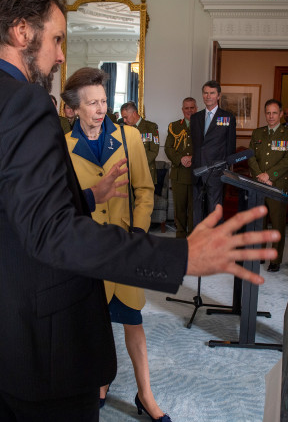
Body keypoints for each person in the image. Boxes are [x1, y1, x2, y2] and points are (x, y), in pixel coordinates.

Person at [0, 0, 279, 420]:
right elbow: (52, 235)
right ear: (21, 31)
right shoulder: (25, 103)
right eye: (56, 39)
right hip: (42, 341)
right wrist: (181, 256)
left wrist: (85, 194)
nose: (60, 55)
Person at [63, 67, 170, 421]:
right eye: (91, 103)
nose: (99, 109)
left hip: (124, 246)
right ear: (74, 109)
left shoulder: (130, 137)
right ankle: (99, 384)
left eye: (103, 101)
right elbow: (64, 201)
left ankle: (146, 395)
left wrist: (138, 233)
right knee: (92, 325)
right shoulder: (62, 146)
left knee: (132, 321)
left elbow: (145, 190)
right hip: (87, 251)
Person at [248, 99, 288, 272]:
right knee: (259, 222)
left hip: (277, 185)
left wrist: (269, 175)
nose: (271, 116)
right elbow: (250, 156)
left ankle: (275, 259)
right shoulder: (258, 133)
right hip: (259, 184)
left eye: (274, 113)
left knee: (277, 223)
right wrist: (260, 176)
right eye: (268, 113)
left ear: (281, 114)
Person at [190, 80, 236, 225]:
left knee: (214, 211)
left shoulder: (227, 118)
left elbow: (230, 147)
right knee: (197, 212)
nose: (208, 96)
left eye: (212, 93)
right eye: (205, 93)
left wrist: (225, 170)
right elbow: (196, 145)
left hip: (216, 172)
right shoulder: (195, 117)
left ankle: (215, 245)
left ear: (218, 96)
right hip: (197, 171)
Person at [165, 97, 197, 238]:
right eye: (186, 108)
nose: (189, 110)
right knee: (180, 209)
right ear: (182, 110)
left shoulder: (203, 125)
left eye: (192, 108)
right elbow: (168, 148)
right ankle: (180, 237)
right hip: (179, 174)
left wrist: (193, 159)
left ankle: (192, 237)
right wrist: (180, 159)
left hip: (196, 174)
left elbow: (206, 148)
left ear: (196, 108)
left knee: (194, 209)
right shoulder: (175, 126)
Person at [120, 101, 159, 184]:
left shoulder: (151, 127)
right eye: (123, 118)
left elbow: (154, 151)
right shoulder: (124, 129)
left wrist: (138, 163)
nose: (124, 120)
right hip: (129, 174)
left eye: (126, 117)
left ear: (134, 113)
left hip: (146, 172)